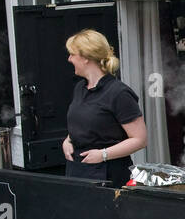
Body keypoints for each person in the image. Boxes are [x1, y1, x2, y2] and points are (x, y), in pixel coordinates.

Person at [62, 29, 147, 186]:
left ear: (86, 57)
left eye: (72, 54)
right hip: (77, 170)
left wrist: (103, 154)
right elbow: (84, 123)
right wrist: (68, 140)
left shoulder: (118, 93)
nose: (69, 59)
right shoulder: (80, 88)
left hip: (109, 173)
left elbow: (140, 139)